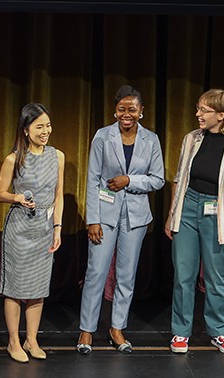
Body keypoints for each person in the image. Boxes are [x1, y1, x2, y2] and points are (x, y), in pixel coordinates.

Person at [165, 89, 224, 355]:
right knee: (183, 275)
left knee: (217, 275)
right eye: (198, 109)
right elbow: (180, 179)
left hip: (219, 214)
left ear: (221, 114)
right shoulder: (191, 139)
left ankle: (220, 331)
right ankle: (181, 332)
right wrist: (172, 214)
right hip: (188, 209)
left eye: (203, 110)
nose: (198, 115)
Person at [77, 85, 165, 354]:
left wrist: (130, 180)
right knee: (96, 273)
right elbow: (92, 179)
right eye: (122, 109)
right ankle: (86, 330)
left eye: (132, 109)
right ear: (115, 111)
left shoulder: (151, 140)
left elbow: (158, 179)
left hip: (135, 216)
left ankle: (117, 327)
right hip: (104, 215)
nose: (127, 114)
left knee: (126, 276)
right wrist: (92, 219)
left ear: (141, 112)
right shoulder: (103, 137)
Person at [0, 103, 64, 363]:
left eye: (47, 125)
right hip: (19, 228)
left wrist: (58, 227)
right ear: (25, 130)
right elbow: (1, 194)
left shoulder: (57, 156)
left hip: (44, 228)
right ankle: (13, 341)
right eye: (39, 127)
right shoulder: (13, 159)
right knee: (14, 288)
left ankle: (31, 339)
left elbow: (59, 196)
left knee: (38, 287)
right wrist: (17, 197)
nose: (45, 131)